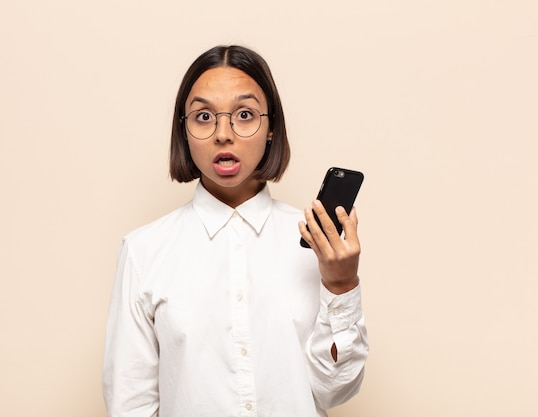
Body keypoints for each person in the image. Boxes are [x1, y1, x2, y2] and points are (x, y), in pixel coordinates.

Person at [103, 45, 368, 417]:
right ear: (184, 130)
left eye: (244, 114)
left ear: (271, 126)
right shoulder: (144, 250)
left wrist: (341, 287)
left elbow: (334, 390)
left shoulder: (314, 246)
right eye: (203, 116)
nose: (223, 134)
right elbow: (130, 404)